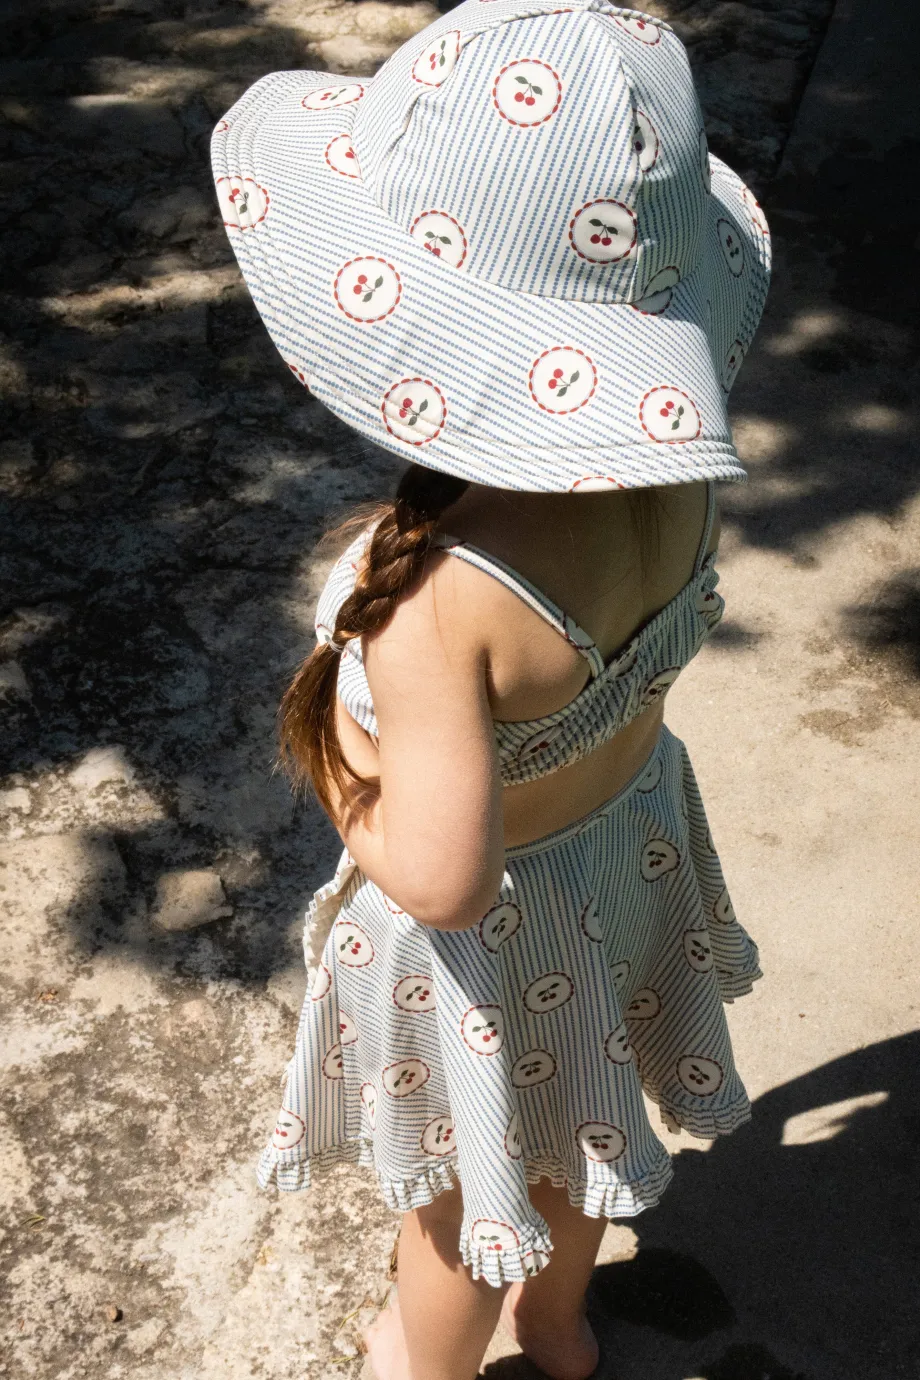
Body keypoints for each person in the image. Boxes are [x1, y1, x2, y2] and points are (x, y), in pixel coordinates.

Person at [212, 3, 771, 1377]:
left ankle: (427, 1363)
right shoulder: (679, 478)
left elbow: (446, 880)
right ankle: (561, 1329)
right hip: (621, 866)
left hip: (494, 947)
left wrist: (336, 767)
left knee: (466, 1207)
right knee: (584, 1134)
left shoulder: (437, 602)